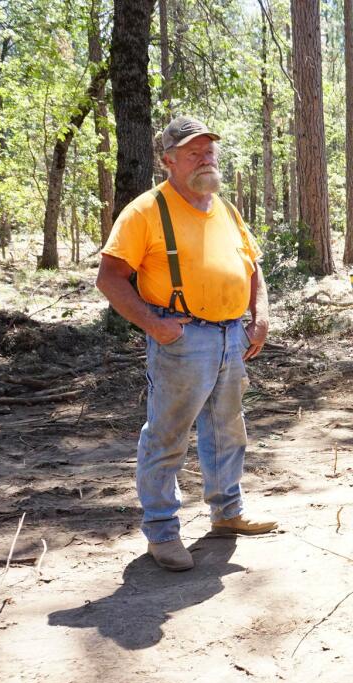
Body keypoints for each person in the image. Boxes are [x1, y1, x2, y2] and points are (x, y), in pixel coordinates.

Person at [96, 116, 276, 572]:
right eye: (193, 151)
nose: (205, 157)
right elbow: (110, 278)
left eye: (209, 149)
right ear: (168, 161)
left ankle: (227, 512)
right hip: (182, 339)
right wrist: (156, 327)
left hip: (232, 336)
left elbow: (253, 268)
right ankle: (161, 532)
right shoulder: (145, 211)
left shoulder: (226, 209)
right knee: (167, 436)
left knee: (227, 428)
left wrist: (261, 317)